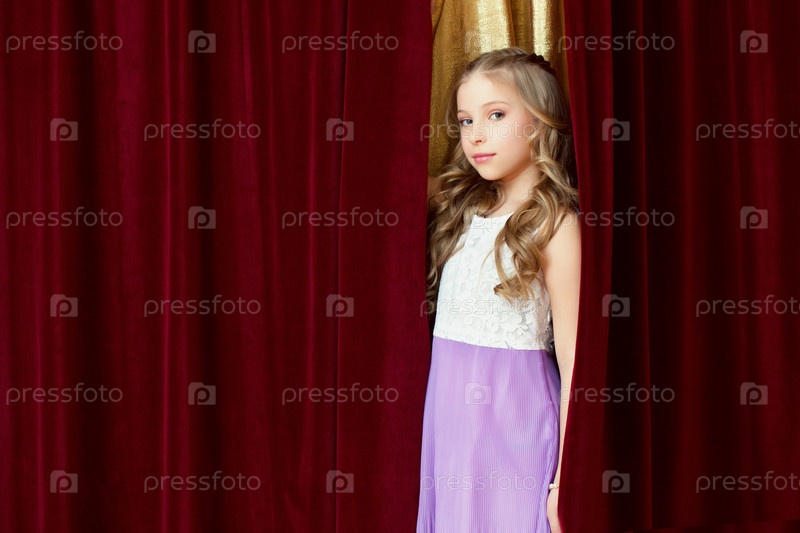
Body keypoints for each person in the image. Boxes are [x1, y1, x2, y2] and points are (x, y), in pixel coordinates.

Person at [418, 47, 580, 532]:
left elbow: (576, 364)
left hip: (515, 423)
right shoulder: (459, 205)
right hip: (448, 422)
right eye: (466, 121)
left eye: (496, 115)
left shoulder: (556, 225)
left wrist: (565, 480)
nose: (476, 136)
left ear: (540, 120)